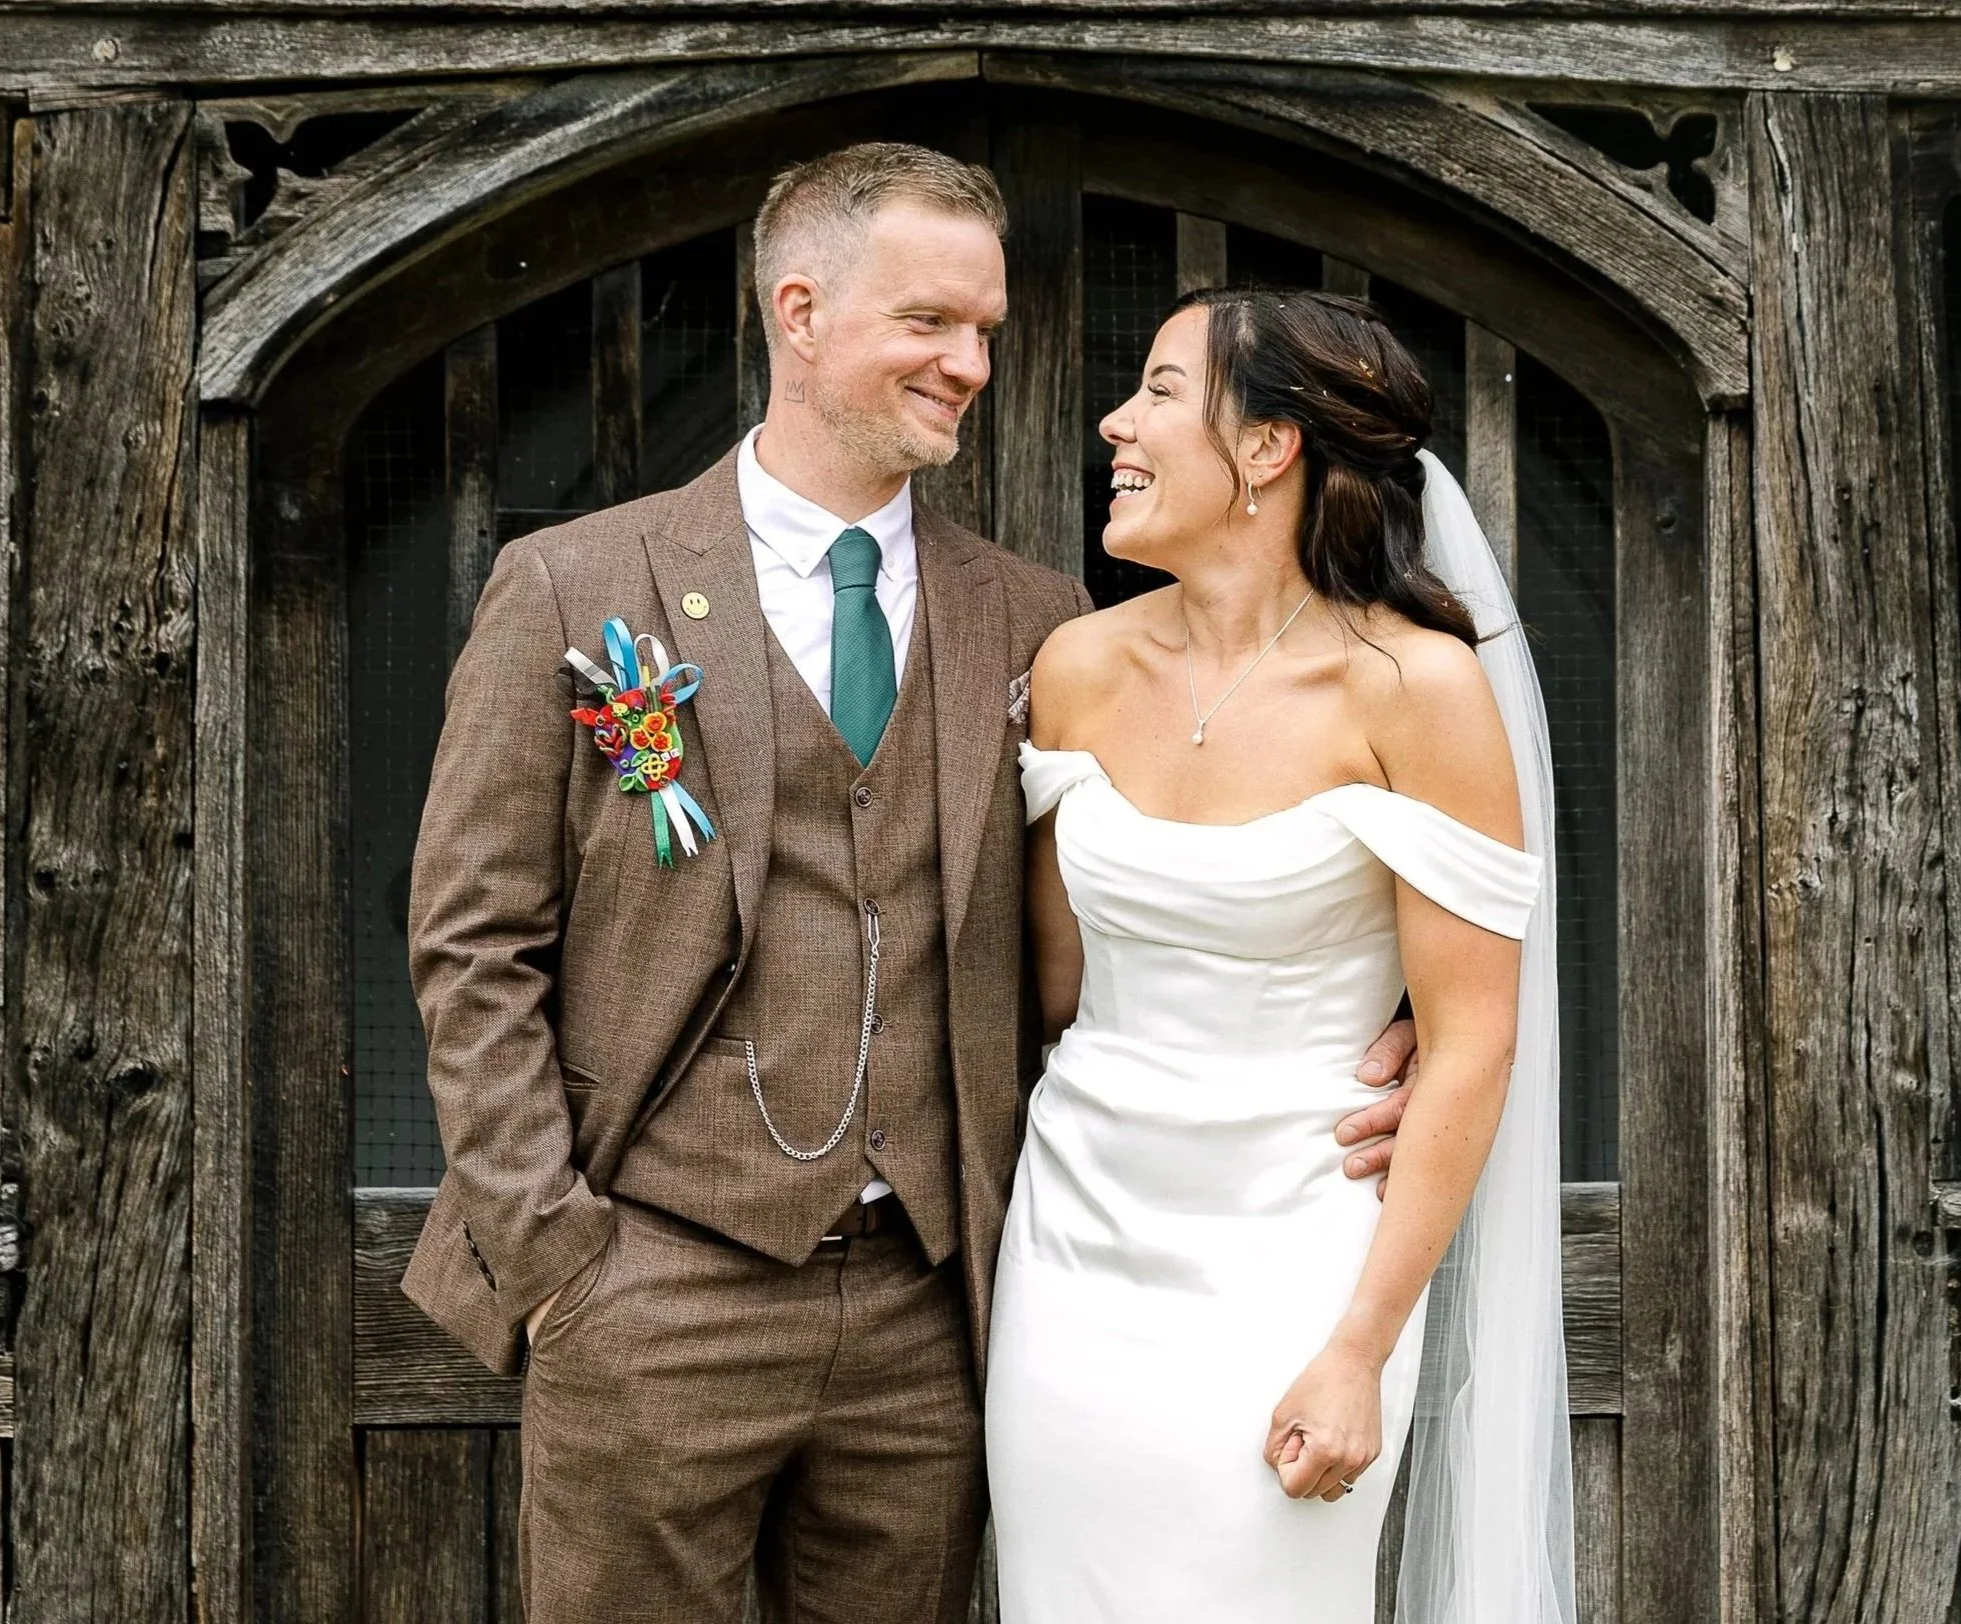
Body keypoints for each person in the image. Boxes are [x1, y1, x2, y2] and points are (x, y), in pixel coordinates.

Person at [400, 144, 1421, 1623]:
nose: (972, 365)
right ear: (801, 313)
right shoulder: (576, 587)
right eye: (932, 323)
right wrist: (561, 1261)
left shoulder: (1045, 620)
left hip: (934, 1311)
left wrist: (1376, 1018)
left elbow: (1189, 859)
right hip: (651, 1284)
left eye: (989, 332)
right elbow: (472, 944)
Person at [986, 288, 1575, 1621]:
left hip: (1299, 1260)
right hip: (1076, 1252)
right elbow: (1056, 989)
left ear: (1268, 448)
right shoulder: (1076, 666)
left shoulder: (1414, 691)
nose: (1114, 424)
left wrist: (1361, 1346)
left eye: (1158, 390)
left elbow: (1475, 1036)